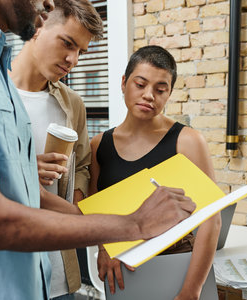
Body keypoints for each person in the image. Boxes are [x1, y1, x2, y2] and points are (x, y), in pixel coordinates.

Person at [0, 0, 196, 298]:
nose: (48, 3)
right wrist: (133, 224)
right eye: (68, 43)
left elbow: (31, 195)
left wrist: (120, 227)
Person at [89, 45, 221, 299]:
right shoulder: (98, 146)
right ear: (124, 83)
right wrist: (105, 249)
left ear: (169, 93)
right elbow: (95, 213)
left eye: (160, 90)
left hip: (179, 267)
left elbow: (211, 220)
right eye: (140, 85)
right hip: (123, 273)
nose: (149, 95)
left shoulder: (188, 141)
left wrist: (191, 291)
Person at [9, 1, 102, 298]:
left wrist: (74, 211)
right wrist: (22, 170)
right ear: (38, 26)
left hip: (61, 272)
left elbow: (83, 166)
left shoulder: (72, 103)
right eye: (67, 43)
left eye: (80, 52)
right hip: (10, 266)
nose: (72, 59)